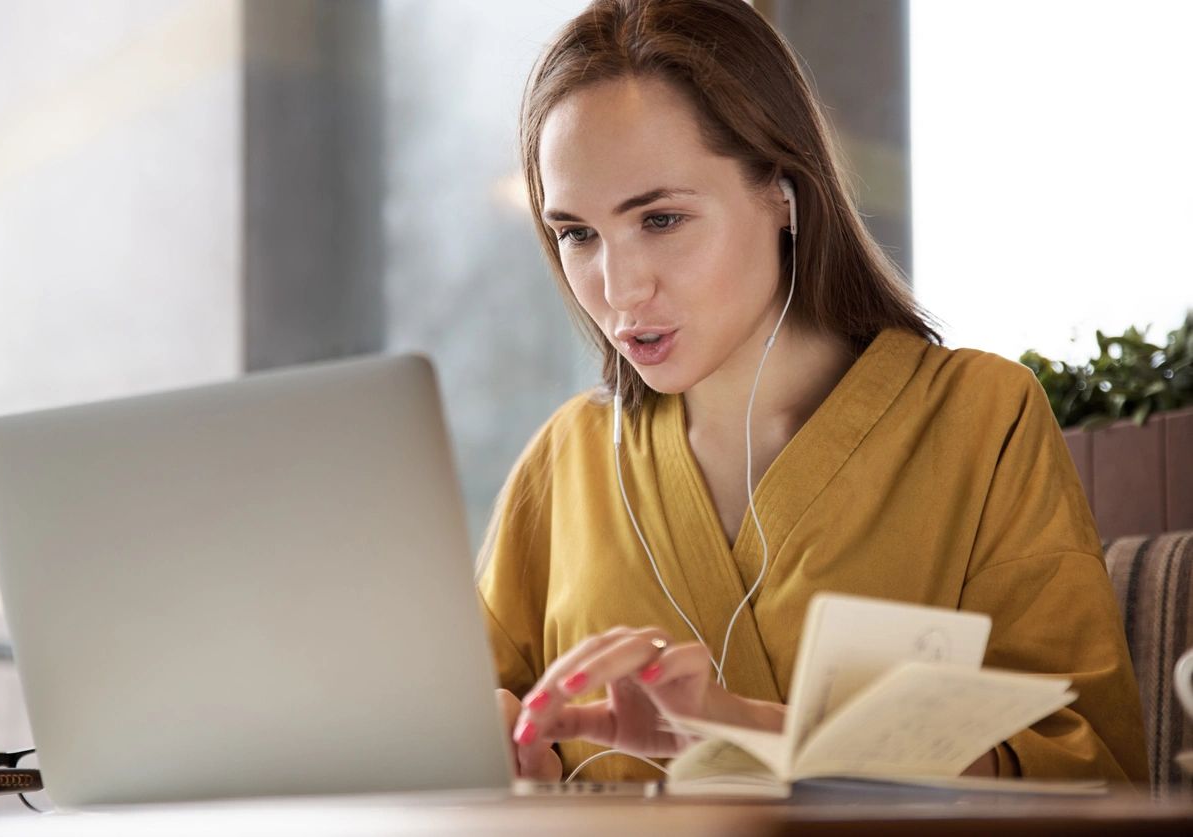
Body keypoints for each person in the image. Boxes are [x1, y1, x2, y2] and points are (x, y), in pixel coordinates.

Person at [477, 0, 1148, 786]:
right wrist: (503, 757)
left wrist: (747, 728)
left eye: (660, 219)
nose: (618, 287)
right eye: (577, 234)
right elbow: (460, 721)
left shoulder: (980, 419)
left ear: (784, 193)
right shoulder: (566, 461)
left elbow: (1093, 774)